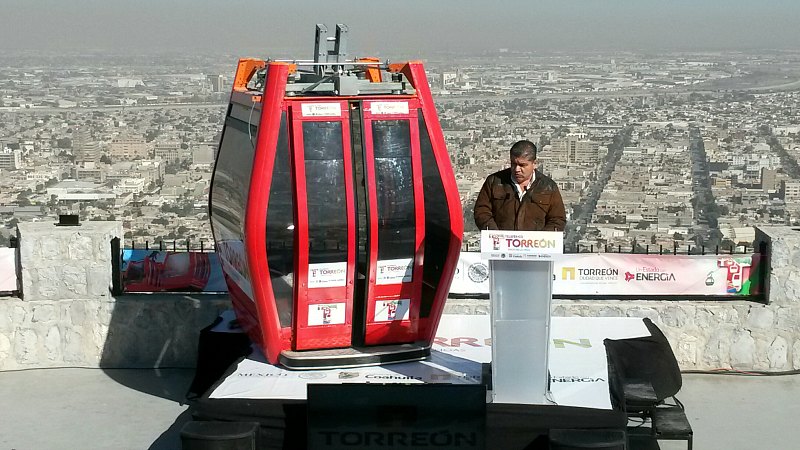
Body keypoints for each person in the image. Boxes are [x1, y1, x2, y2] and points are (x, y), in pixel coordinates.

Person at [474, 139, 566, 231]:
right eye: (514, 164)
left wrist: (539, 240)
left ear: (534, 164)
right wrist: (495, 234)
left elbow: (557, 219)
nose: (517, 169)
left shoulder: (548, 187)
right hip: (500, 243)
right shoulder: (495, 182)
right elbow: (482, 211)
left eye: (522, 165)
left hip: (535, 244)